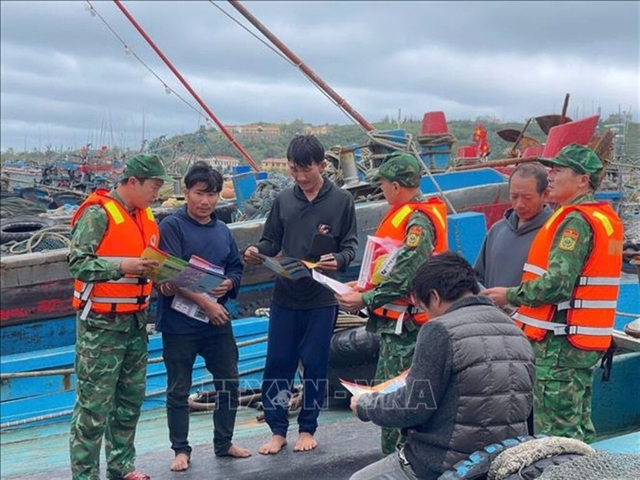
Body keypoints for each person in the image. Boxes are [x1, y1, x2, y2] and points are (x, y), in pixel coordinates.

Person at [349, 251, 534, 480]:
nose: (427, 315)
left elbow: (414, 406)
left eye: (423, 307)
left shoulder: (440, 329)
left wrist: (366, 405)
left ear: (434, 297)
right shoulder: (515, 329)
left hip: (448, 463)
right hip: (506, 459)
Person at [484, 144, 624, 442]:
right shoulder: (601, 218)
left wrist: (510, 295)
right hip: (581, 345)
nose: (551, 176)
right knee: (578, 430)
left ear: (582, 180)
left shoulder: (575, 222)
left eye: (559, 171)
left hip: (559, 348)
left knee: (556, 439)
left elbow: (557, 284)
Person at [243, 134, 358, 455]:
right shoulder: (283, 200)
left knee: (315, 363)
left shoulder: (341, 201)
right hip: (285, 295)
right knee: (278, 364)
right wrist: (256, 252)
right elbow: (270, 241)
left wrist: (340, 259)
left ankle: (308, 428)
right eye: (294, 169)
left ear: (322, 165)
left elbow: (350, 245)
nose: (301, 176)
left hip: (321, 298)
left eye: (307, 169)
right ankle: (277, 429)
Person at [68, 153, 173, 480]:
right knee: (93, 408)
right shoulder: (98, 214)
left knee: (129, 401)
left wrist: (166, 275)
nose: (156, 194)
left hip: (135, 323)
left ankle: (121, 466)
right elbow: (78, 263)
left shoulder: (145, 215)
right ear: (133, 182)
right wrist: (122, 266)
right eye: (153, 186)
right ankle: (85, 475)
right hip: (101, 327)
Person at [336, 151, 447, 456]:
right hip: (395, 328)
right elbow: (389, 267)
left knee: (400, 401)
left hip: (408, 331)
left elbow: (405, 276)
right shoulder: (407, 214)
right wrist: (363, 286)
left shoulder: (418, 221)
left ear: (396, 186)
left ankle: (401, 462)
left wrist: (364, 299)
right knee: (388, 398)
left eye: (383, 184)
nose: (381, 189)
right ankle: (393, 458)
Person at [155, 162, 250, 471]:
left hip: (216, 321)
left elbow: (235, 267)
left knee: (229, 381)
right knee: (178, 388)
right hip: (180, 324)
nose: (206, 201)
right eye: (199, 193)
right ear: (186, 192)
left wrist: (230, 283)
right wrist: (206, 303)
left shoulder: (222, 230)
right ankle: (180, 449)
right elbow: (169, 272)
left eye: (212, 195)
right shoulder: (172, 226)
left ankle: (224, 443)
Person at [474, 161, 553, 288]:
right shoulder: (497, 231)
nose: (519, 204)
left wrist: (509, 296)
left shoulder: (555, 233)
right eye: (514, 196)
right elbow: (477, 277)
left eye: (527, 198)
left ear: (545, 195)